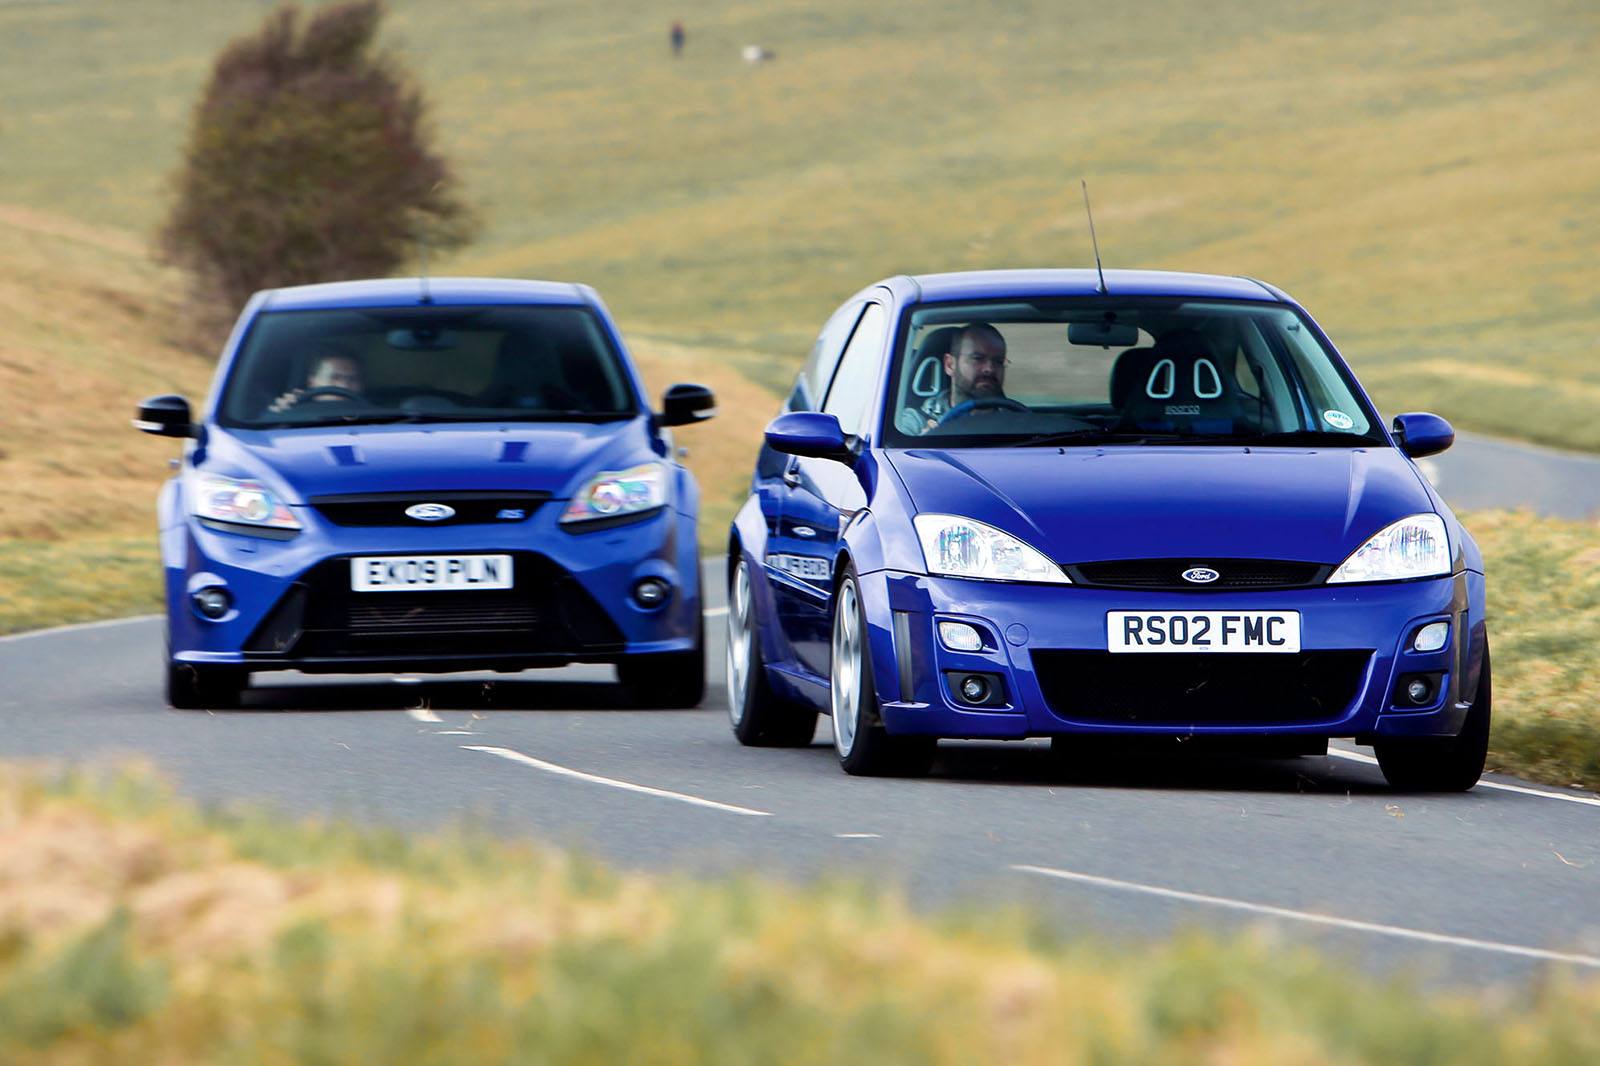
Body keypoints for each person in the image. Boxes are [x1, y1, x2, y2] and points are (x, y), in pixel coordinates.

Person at [898, 322, 1010, 432]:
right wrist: (921, 443)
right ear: (950, 365)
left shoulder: (1018, 420)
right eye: (977, 358)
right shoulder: (916, 421)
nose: (989, 368)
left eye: (998, 361)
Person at [268, 347, 364, 412]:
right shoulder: (297, 416)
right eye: (334, 378)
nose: (344, 386)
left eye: (352, 379)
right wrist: (283, 413)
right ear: (312, 383)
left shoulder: (373, 416)